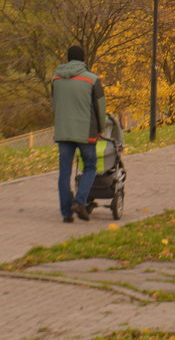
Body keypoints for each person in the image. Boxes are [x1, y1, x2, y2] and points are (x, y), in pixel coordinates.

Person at [51, 44, 106, 223]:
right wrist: (101, 129)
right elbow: (100, 106)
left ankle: (66, 213)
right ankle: (80, 201)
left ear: (67, 59)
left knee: (64, 172)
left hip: (63, 131)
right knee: (90, 166)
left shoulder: (55, 79)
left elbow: (55, 104)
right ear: (83, 60)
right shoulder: (92, 79)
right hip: (86, 131)